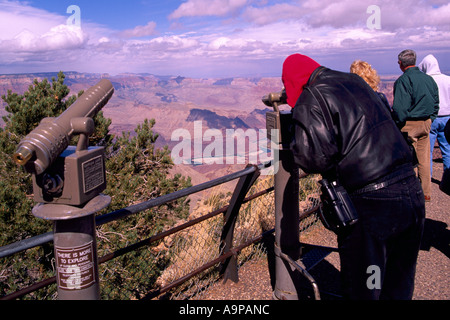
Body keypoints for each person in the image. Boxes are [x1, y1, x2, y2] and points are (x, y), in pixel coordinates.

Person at [282, 53, 425, 300]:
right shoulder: (355, 82)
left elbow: (312, 158)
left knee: (365, 287)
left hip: (372, 206)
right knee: (397, 285)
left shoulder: (312, 96)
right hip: (410, 190)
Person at [392, 49, 439, 201]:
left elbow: (400, 108)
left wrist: (399, 124)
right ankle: (425, 193)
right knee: (424, 159)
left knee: (405, 160)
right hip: (426, 123)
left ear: (400, 64)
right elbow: (436, 102)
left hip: (408, 125)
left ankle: (407, 193)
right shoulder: (428, 79)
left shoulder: (403, 81)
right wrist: (430, 119)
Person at [418, 54, 450, 177]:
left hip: (431, 119)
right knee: (447, 150)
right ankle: (448, 178)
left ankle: (428, 179)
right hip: (447, 118)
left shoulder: (425, 81)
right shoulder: (448, 79)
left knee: (427, 152)